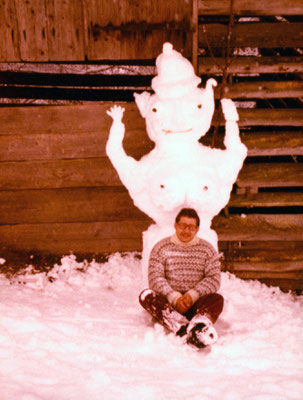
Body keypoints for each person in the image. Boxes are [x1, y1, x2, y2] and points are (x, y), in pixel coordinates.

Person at [139, 208, 224, 348]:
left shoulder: (207, 250)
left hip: (196, 303)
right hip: (170, 304)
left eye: (191, 227)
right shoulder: (161, 248)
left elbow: (213, 278)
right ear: (175, 225)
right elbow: (155, 277)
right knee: (146, 296)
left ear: (197, 229)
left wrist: (192, 295)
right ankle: (182, 326)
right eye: (183, 226)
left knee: (216, 299)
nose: (186, 230)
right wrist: (174, 297)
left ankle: (199, 324)